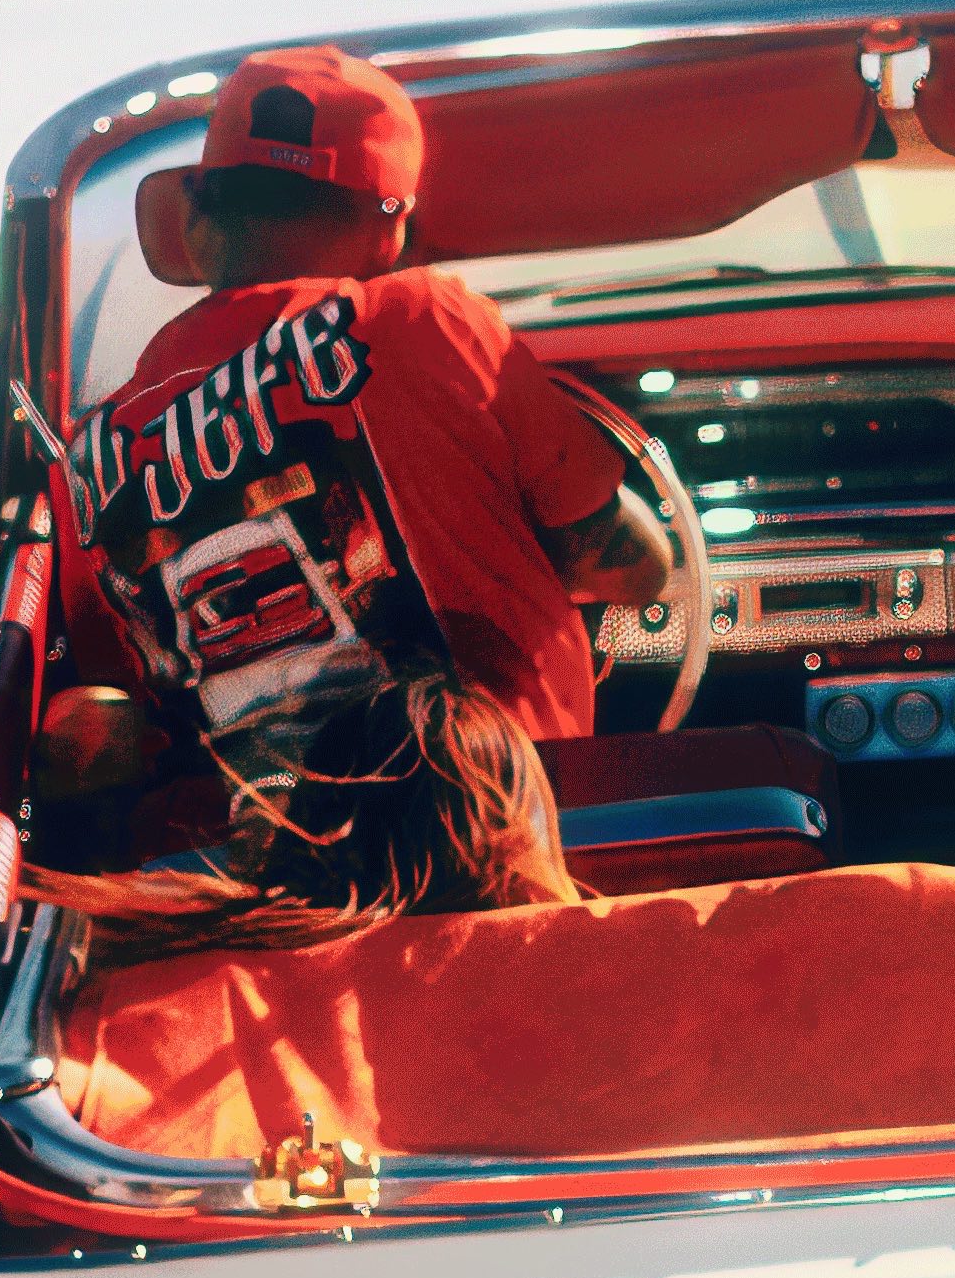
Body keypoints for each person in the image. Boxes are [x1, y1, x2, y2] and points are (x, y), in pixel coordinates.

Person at [56, 46, 675, 852]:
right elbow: (630, 568)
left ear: (197, 216)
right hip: (488, 853)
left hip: (261, 884)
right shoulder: (427, 321)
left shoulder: (83, 461)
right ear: (392, 228)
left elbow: (122, 696)